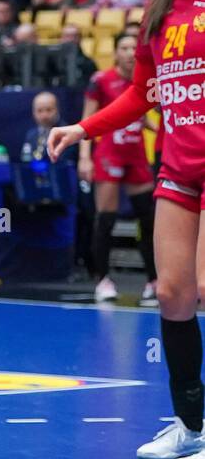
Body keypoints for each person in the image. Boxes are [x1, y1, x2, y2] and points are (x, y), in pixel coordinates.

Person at [49, 0, 205, 459]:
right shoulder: (157, 13)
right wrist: (81, 127)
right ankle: (191, 423)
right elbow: (141, 94)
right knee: (171, 293)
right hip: (178, 167)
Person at [78, 33, 158, 303]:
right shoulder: (100, 80)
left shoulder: (144, 80)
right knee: (106, 220)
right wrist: (84, 157)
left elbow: (139, 114)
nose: (128, 52)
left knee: (147, 218)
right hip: (109, 154)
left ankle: (153, 281)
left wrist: (157, 128)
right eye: (123, 47)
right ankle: (102, 280)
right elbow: (87, 119)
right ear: (115, 53)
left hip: (135, 153)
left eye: (133, 47)